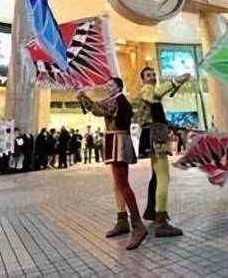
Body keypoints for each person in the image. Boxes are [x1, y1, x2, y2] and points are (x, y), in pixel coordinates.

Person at [77, 77, 147, 250]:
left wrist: (83, 96)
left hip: (118, 142)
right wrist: (83, 97)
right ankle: (122, 221)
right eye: (107, 85)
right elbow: (97, 107)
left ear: (119, 87)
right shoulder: (116, 100)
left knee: (122, 184)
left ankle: (138, 225)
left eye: (111, 85)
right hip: (117, 140)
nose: (107, 88)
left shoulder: (116, 101)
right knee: (117, 184)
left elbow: (97, 109)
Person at [135, 67, 190, 237]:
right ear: (143, 79)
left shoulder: (149, 93)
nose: (152, 77)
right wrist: (175, 81)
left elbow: (156, 113)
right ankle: (161, 221)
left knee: (156, 176)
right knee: (163, 178)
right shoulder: (147, 90)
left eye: (153, 75)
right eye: (148, 75)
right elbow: (157, 94)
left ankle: (152, 211)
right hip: (156, 135)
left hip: (154, 133)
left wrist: (173, 127)